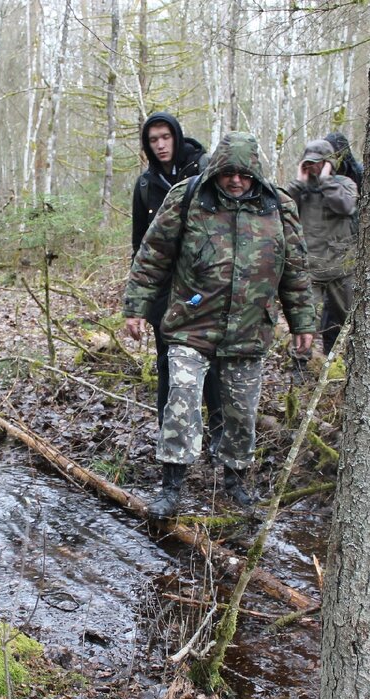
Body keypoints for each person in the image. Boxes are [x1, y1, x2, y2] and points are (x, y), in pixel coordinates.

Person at [124, 131, 315, 518]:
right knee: (181, 401)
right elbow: (153, 255)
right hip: (191, 323)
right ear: (216, 171)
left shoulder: (279, 206)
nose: (235, 180)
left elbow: (295, 269)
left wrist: (302, 322)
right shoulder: (189, 197)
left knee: (241, 413)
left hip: (249, 329)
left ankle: (235, 481)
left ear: (256, 174)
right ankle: (171, 485)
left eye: (243, 174)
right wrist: (136, 307)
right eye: (227, 173)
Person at [130, 113, 223, 448]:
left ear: (177, 136)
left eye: (165, 137)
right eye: (153, 140)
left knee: (211, 365)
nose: (160, 145)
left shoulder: (204, 169)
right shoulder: (145, 185)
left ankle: (217, 436)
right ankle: (170, 437)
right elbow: (140, 248)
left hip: (205, 290)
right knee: (167, 365)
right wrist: (139, 303)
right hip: (165, 295)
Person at [287, 138, 358, 355]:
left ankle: (352, 365)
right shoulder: (300, 189)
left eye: (317, 162)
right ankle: (300, 365)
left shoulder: (344, 184)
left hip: (341, 267)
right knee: (304, 323)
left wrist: (327, 180)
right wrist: (299, 182)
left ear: (328, 163)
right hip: (311, 267)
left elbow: (345, 206)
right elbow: (282, 210)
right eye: (308, 162)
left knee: (352, 321)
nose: (312, 167)